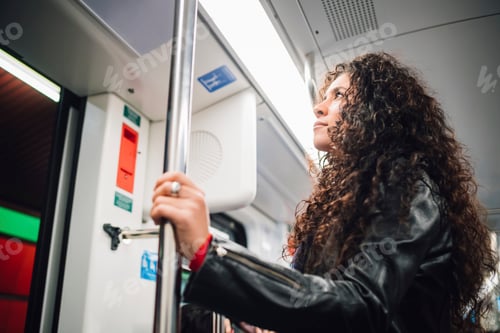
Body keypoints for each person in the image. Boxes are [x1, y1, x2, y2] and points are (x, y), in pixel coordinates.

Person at [150, 52, 498, 332]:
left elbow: (359, 305)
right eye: (323, 97)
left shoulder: (406, 184)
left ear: (377, 113)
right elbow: (319, 298)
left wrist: (207, 253)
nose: (319, 107)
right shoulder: (346, 201)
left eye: (339, 95)